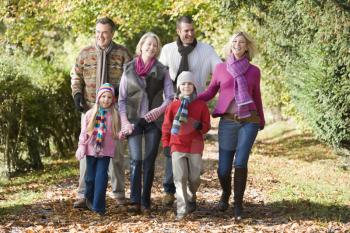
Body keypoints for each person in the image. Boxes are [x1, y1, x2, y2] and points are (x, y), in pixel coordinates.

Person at [197, 31, 265, 220]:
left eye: (241, 42)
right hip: (227, 121)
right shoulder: (220, 68)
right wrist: (193, 99)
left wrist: (261, 119)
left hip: (249, 120)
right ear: (230, 45)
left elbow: (257, 95)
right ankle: (226, 193)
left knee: (241, 162)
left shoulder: (254, 71)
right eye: (235, 41)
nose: (238, 44)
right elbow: (211, 91)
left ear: (246, 46)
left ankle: (238, 206)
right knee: (223, 169)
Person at [159, 15, 221, 206]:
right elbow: (159, 75)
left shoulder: (206, 50)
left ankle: (190, 192)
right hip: (174, 104)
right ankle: (171, 190)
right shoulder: (168, 50)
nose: (190, 34)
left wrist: (208, 96)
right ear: (178, 31)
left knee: (192, 153)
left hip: (196, 105)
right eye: (186, 30)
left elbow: (219, 71)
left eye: (192, 30)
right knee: (173, 148)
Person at [70, 17, 131, 208]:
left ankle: (119, 193)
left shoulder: (123, 54)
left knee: (117, 154)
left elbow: (132, 80)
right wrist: (77, 94)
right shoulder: (85, 53)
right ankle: (83, 195)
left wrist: (122, 98)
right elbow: (76, 75)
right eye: (97, 32)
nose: (100, 36)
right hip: (90, 111)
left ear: (112, 33)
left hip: (114, 113)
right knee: (87, 154)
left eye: (104, 32)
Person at [118, 32, 174, 214]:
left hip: (154, 122)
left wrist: (159, 110)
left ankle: (145, 200)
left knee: (149, 161)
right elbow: (121, 99)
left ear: (157, 49)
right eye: (148, 44)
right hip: (133, 121)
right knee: (136, 160)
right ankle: (134, 201)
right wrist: (125, 122)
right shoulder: (128, 68)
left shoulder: (162, 70)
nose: (151, 47)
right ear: (141, 46)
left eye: (155, 45)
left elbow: (170, 97)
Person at [161, 71, 210, 220]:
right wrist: (165, 144)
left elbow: (207, 126)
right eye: (183, 84)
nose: (186, 86)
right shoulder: (173, 106)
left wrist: (200, 125)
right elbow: (166, 126)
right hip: (177, 145)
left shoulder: (201, 105)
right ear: (178, 87)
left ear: (194, 86)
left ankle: (191, 195)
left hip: (195, 146)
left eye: (189, 83)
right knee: (179, 177)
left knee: (194, 178)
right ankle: (182, 210)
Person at [75, 83, 125, 215]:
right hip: (91, 150)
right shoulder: (90, 114)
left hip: (106, 151)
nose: (106, 100)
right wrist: (81, 146)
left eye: (109, 97)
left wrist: (122, 134)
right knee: (90, 178)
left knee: (101, 177)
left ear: (113, 99)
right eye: (103, 96)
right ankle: (89, 200)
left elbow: (116, 134)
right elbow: (84, 133)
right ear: (98, 97)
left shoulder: (114, 115)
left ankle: (99, 207)